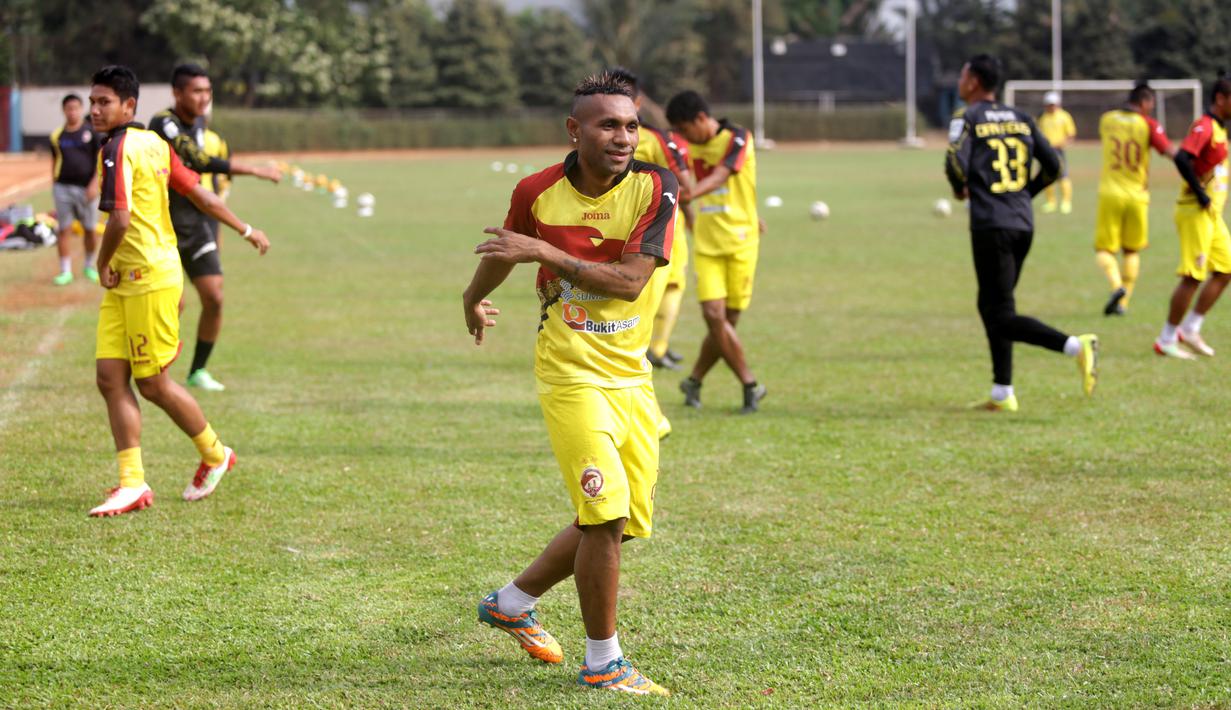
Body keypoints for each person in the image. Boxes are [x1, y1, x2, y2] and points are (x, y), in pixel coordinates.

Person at [464, 71, 676, 697]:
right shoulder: (536, 190)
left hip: (632, 377)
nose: (623, 137)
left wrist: (545, 253)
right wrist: (472, 298)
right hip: (570, 374)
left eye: (632, 125)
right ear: (574, 129)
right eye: (609, 124)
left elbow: (630, 282)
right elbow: (507, 249)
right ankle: (604, 662)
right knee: (605, 514)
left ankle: (511, 602)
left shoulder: (653, 187)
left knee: (614, 524)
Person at [85, 65, 271, 517]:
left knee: (152, 384)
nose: (94, 110)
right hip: (129, 282)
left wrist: (101, 261)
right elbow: (199, 193)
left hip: (146, 278)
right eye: (92, 101)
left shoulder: (120, 148)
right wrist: (245, 228)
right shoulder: (155, 144)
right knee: (111, 378)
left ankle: (215, 453)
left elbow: (121, 219)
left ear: (129, 106)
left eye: (103, 102)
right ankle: (132, 483)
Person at [944, 55, 1098, 412]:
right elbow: (1055, 166)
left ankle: (1076, 346)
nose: (960, 80)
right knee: (994, 304)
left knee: (999, 314)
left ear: (975, 81)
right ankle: (1003, 392)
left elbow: (954, 162)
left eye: (963, 74)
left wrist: (958, 189)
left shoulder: (967, 118)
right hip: (1022, 223)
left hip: (991, 225)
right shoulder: (1022, 118)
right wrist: (1024, 194)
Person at [149, 63, 281, 392]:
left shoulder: (205, 128)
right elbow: (195, 160)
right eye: (196, 90)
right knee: (172, 304)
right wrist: (256, 170)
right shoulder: (163, 123)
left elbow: (213, 182)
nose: (204, 97)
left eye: (208, 91)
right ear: (177, 93)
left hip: (197, 225)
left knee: (215, 297)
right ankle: (150, 368)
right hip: (161, 227)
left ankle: (198, 371)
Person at [666, 90, 766, 413]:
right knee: (713, 317)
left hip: (742, 243)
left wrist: (690, 194)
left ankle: (693, 380)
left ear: (700, 119)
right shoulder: (686, 146)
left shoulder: (739, 137)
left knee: (726, 325)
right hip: (708, 244)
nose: (683, 137)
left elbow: (723, 173)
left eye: (684, 129)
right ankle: (750, 384)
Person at [608, 66, 694, 440]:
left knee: (630, 332)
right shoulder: (658, 140)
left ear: (638, 103)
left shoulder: (601, 140)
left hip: (639, 241)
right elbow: (687, 186)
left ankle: (649, 415)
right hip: (648, 242)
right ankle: (651, 417)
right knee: (631, 333)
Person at [1152, 76, 1231, 360]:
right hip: (1195, 212)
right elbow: (1183, 157)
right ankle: (1166, 339)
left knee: (1226, 270)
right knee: (1192, 277)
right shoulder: (1205, 126)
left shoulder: (1220, 130)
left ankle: (1190, 328)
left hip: (1212, 215)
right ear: (1221, 99)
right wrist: (1200, 193)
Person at [1094, 83, 1176, 316]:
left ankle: (1116, 285)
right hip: (1138, 196)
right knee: (1131, 251)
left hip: (1110, 193)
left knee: (1104, 249)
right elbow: (1170, 152)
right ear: (1144, 102)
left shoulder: (1107, 119)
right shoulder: (1148, 124)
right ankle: (1124, 302)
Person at [49, 93, 101, 285]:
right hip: (62, 188)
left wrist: (94, 184)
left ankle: (89, 265)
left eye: (76, 108)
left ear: (81, 109)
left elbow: (99, 161)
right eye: (69, 108)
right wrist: (54, 184)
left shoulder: (92, 132)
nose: (72, 112)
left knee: (89, 229)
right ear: (64, 111)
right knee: (64, 229)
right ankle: (65, 270)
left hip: (87, 189)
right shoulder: (57, 136)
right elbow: (54, 161)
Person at [1038, 91, 1077, 214]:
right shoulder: (1043, 117)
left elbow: (1071, 134)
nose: (1051, 107)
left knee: (1062, 176)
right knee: (1046, 177)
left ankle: (1066, 202)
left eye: (1053, 104)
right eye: (1049, 104)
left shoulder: (1064, 116)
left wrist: (1063, 143)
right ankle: (1051, 202)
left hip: (1059, 150)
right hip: (1046, 151)